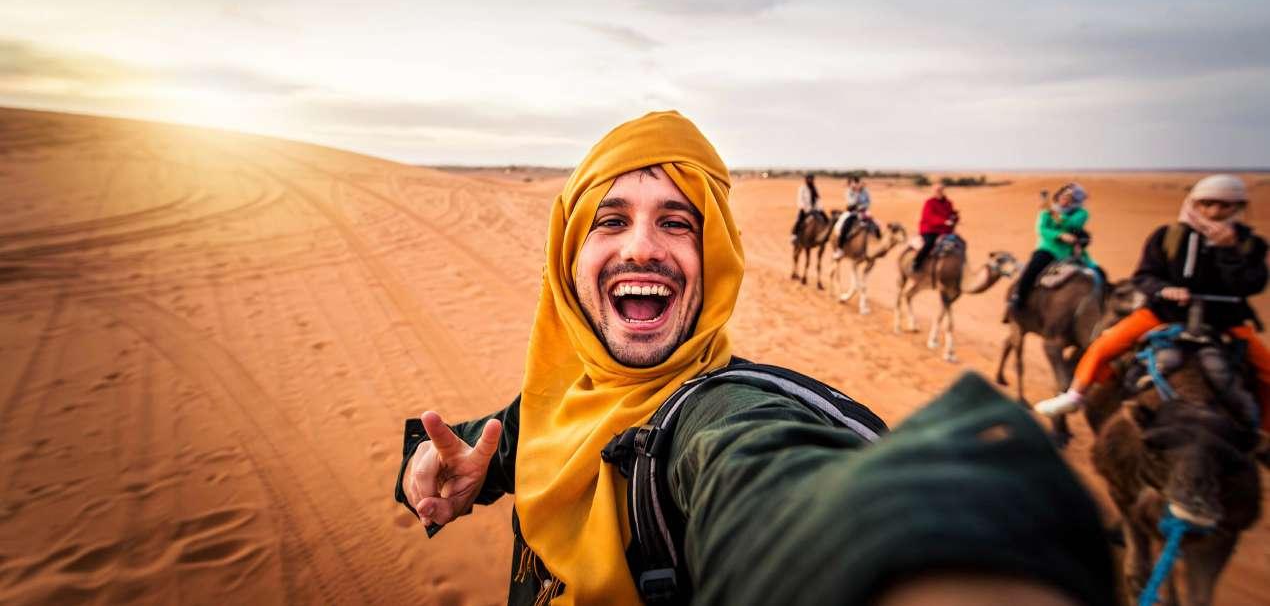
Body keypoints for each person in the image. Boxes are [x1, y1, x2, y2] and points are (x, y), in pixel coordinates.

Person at [396, 112, 1117, 605]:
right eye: (610, 220)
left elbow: (763, 476)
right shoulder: (556, 401)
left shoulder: (715, 419)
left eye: (677, 222)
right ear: (567, 256)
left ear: (715, 258)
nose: (642, 246)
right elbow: (493, 439)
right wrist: (430, 466)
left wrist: (913, 560)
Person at [1035, 174, 1270, 427]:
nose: (1214, 212)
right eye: (1207, 204)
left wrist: (1228, 252)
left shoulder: (1250, 245)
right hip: (1163, 313)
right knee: (1103, 346)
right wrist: (1164, 290)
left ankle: (1264, 431)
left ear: (1238, 207)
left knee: (1266, 371)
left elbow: (1252, 284)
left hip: (1225, 320)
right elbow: (1144, 277)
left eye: (1225, 205)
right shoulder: (1168, 236)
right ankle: (1075, 395)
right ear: (1194, 204)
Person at [1009, 184, 1094, 315]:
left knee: (1095, 273)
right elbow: (1041, 229)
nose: (1064, 199)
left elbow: (1071, 224)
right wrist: (1059, 235)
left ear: (1076, 201)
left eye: (1069, 198)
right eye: (1063, 195)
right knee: (1033, 268)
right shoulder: (1047, 211)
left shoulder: (1081, 213)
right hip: (1048, 248)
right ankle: (1018, 299)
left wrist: (1053, 212)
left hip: (1069, 251)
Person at [912, 180, 959, 272]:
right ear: (933, 191)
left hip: (945, 231)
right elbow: (929, 217)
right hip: (930, 230)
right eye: (937, 190)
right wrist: (944, 221)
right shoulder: (929, 203)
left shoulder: (948, 203)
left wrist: (954, 217)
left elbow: (951, 214)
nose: (939, 191)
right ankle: (916, 263)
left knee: (958, 243)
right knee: (929, 243)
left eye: (941, 189)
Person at [837, 174, 872, 243]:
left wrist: (863, 206)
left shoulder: (865, 191)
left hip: (863, 211)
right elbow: (851, 203)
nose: (857, 185)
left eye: (858, 182)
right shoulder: (849, 192)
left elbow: (868, 201)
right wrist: (857, 193)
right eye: (855, 183)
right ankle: (841, 243)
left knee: (873, 223)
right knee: (845, 224)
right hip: (852, 212)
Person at [792, 170, 822, 240]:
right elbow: (800, 199)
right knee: (799, 220)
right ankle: (794, 234)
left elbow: (818, 199)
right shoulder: (802, 188)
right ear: (806, 179)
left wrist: (819, 208)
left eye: (811, 178)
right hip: (805, 209)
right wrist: (803, 207)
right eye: (809, 178)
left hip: (815, 209)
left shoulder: (815, 188)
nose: (810, 180)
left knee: (825, 218)